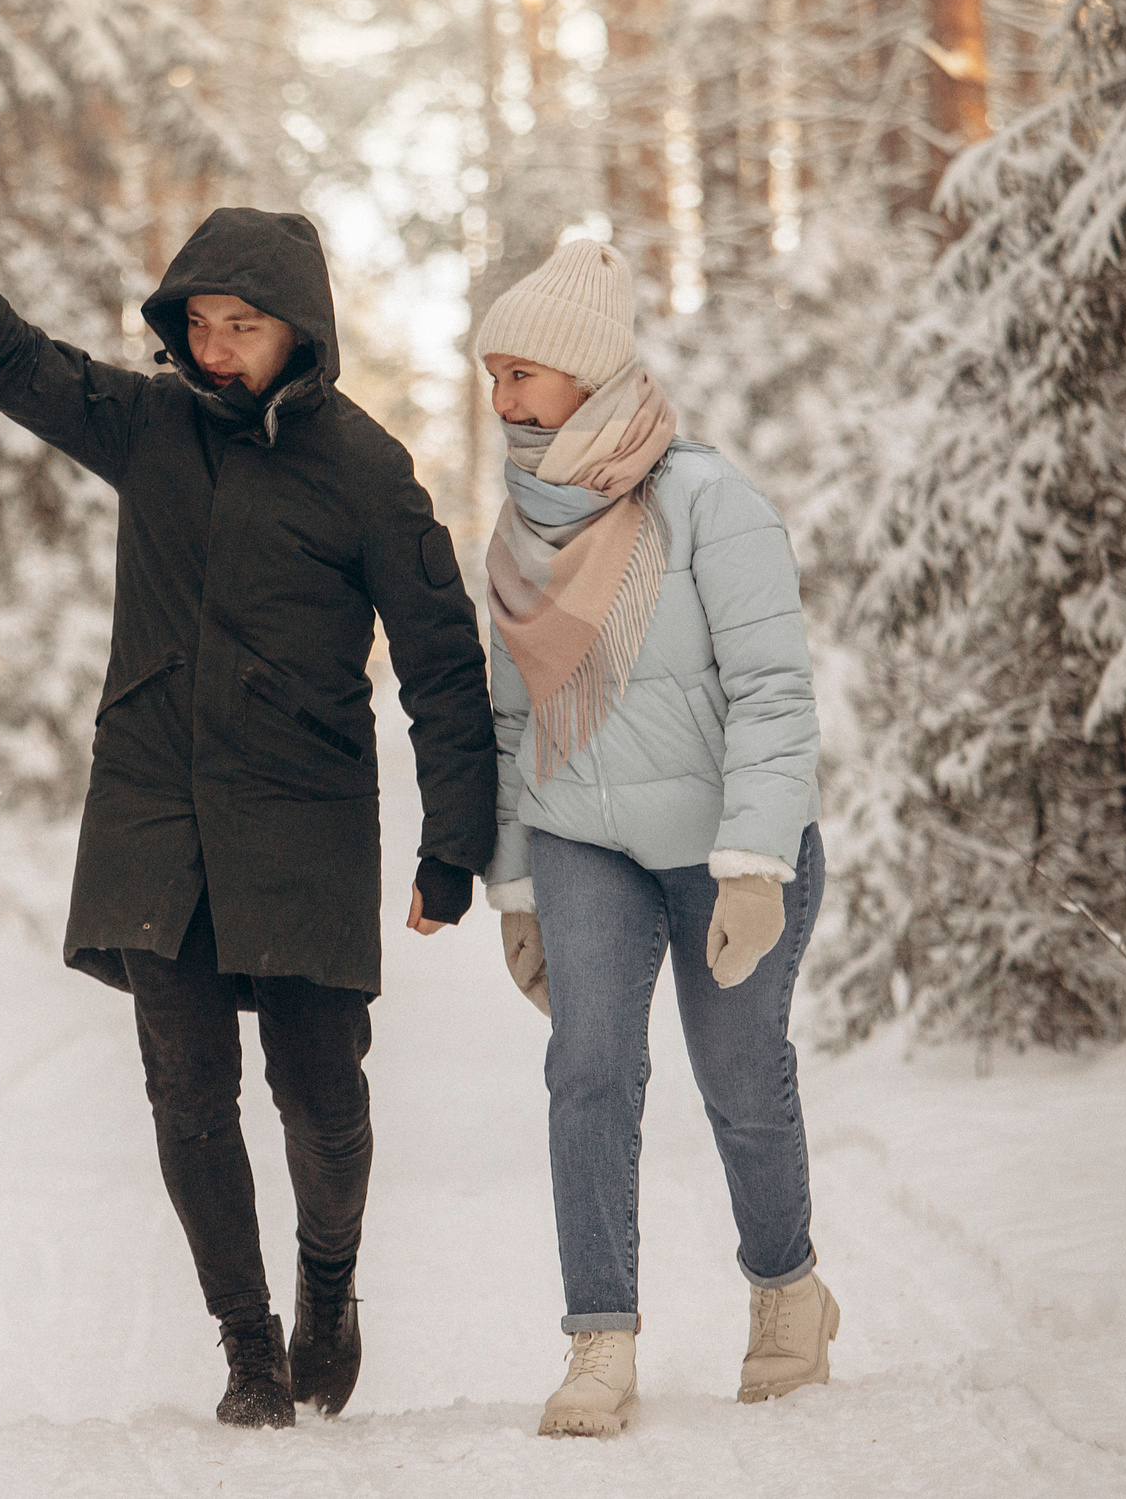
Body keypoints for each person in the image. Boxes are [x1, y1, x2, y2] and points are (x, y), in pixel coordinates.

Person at [0, 210, 495, 1429]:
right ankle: (247, 1345)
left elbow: (440, 664)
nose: (213, 351)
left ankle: (327, 1280)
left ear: (298, 333)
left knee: (320, 1097)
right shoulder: (148, 427)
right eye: (197, 325)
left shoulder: (367, 472)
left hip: (300, 811)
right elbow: (17, 364)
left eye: (239, 329)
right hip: (156, 803)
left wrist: (450, 843)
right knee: (186, 1094)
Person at [472, 238, 834, 1436]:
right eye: (492, 375)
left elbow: (775, 692)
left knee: (738, 1077)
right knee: (586, 1072)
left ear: (588, 375)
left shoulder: (707, 500)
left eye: (523, 371)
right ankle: (599, 1342)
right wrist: (516, 888)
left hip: (726, 846)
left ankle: (787, 1294)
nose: (503, 397)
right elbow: (512, 720)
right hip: (583, 838)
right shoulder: (517, 532)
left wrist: (752, 861)